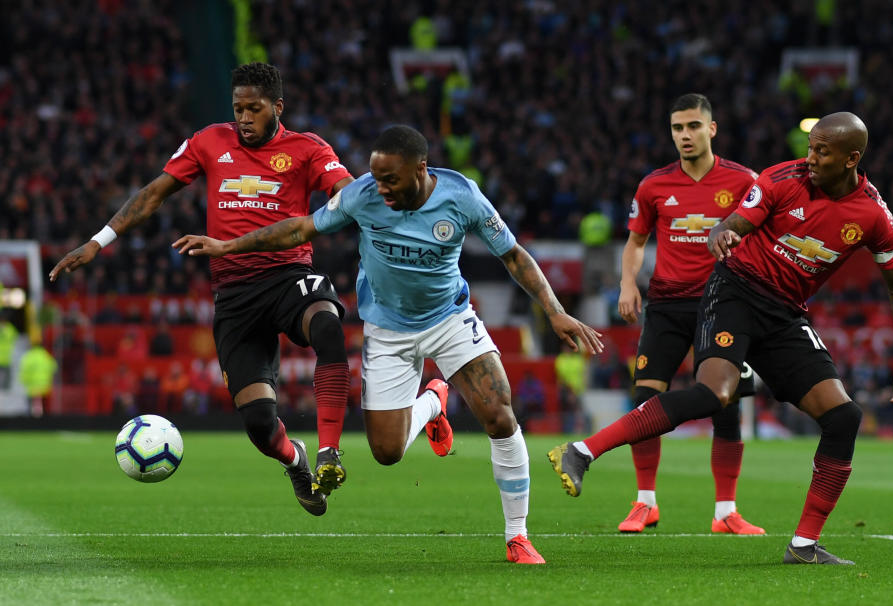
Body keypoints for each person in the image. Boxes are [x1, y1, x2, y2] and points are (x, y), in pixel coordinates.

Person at [173, 124, 604, 565]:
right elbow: (301, 228)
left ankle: (518, 536)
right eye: (376, 178)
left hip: (449, 319)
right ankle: (434, 402)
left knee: (498, 413)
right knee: (387, 453)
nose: (381, 189)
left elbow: (513, 254)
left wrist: (553, 311)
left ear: (420, 169)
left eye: (391, 180)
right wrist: (228, 246)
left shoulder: (462, 196)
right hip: (387, 330)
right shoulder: (362, 194)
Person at [549, 112, 893, 565]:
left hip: (784, 316)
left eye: (822, 151)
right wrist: (724, 233)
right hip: (735, 292)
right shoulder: (782, 178)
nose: (811, 157)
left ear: (851, 159)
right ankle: (582, 451)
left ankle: (803, 545)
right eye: (811, 146)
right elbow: (737, 222)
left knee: (844, 417)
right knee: (716, 394)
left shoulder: (873, 215)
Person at [49, 62, 355, 517]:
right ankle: (297, 460)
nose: (245, 117)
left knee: (328, 327)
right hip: (234, 294)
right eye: (238, 109)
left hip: (289, 276)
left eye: (254, 108)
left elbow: (350, 195)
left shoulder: (307, 149)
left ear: (278, 107)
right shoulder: (210, 141)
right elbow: (155, 192)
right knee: (258, 423)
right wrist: (99, 241)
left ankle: (331, 452)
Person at [612, 94, 764, 535]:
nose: (685, 135)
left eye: (693, 126)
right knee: (644, 401)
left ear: (711, 129)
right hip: (665, 305)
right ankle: (645, 503)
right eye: (678, 128)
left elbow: (764, 234)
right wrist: (627, 284)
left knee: (725, 405)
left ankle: (725, 512)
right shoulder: (653, 185)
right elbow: (636, 242)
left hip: (723, 304)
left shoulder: (743, 181)